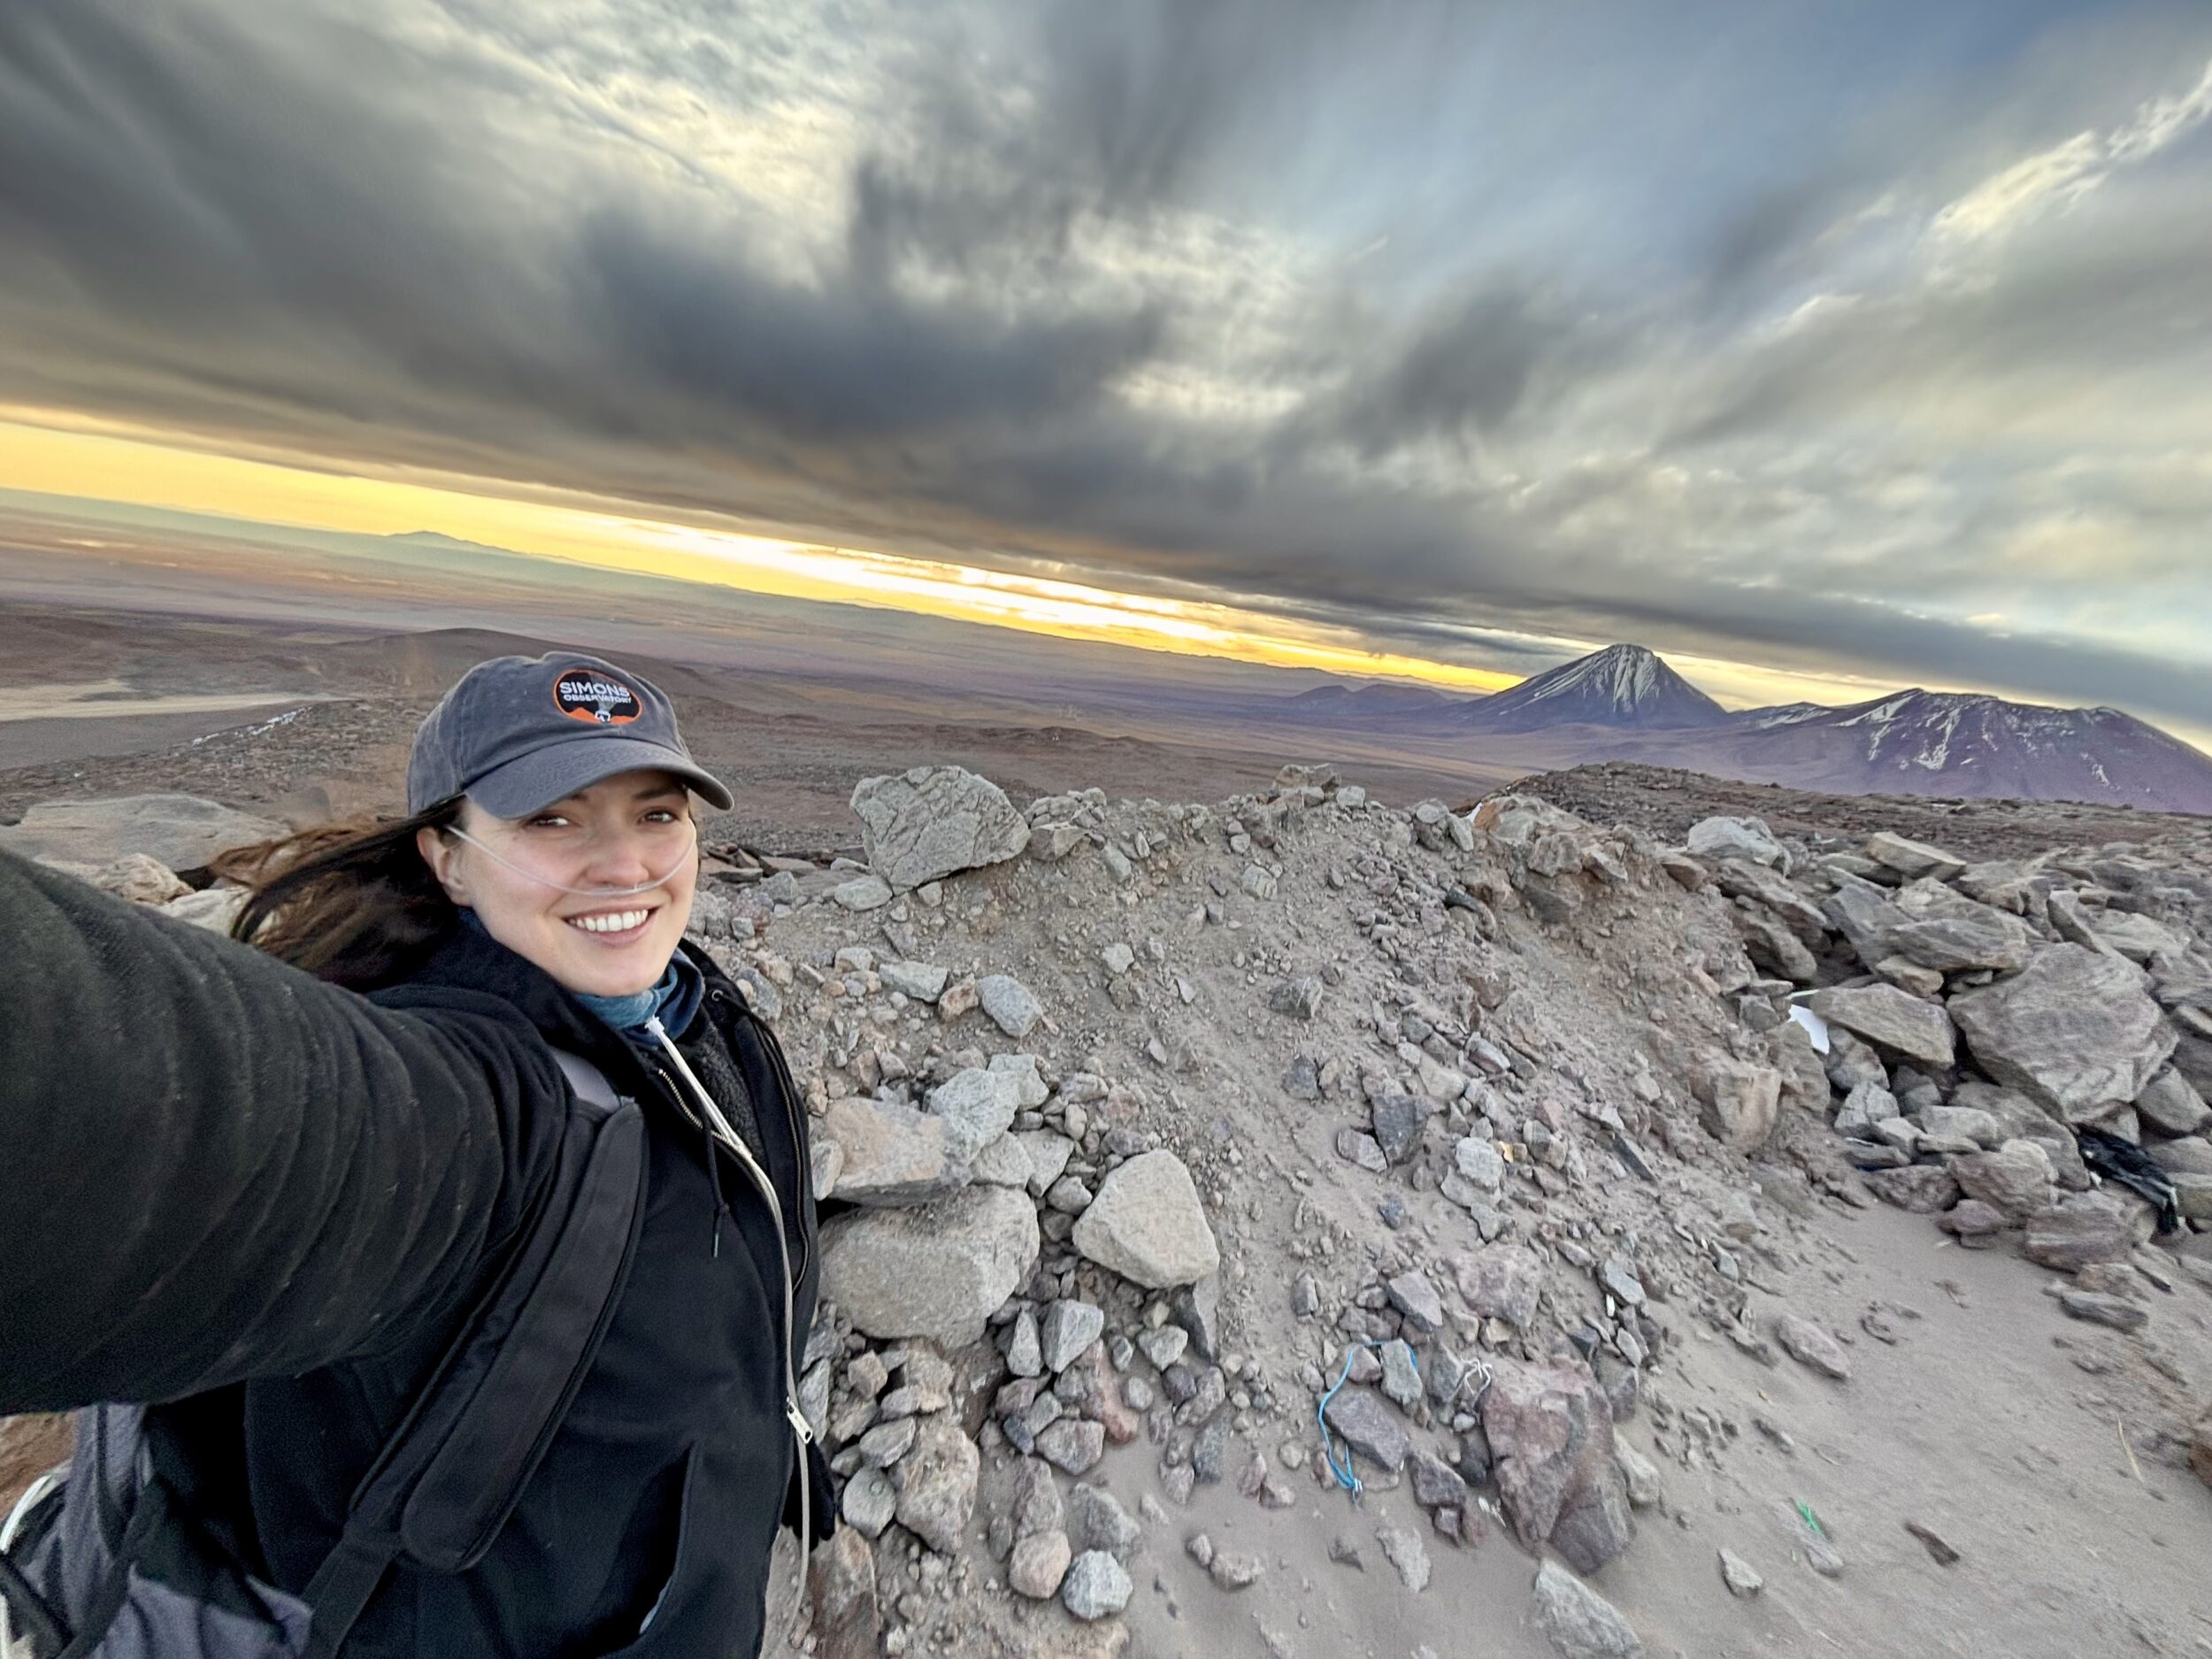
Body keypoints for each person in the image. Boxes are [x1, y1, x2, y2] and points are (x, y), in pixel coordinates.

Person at [0, 651, 831, 1657]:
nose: (625, 865)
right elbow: (177, 1124)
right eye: (551, 820)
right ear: (445, 857)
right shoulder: (466, 1112)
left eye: (657, 814)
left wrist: (771, 1452)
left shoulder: (692, 1013)